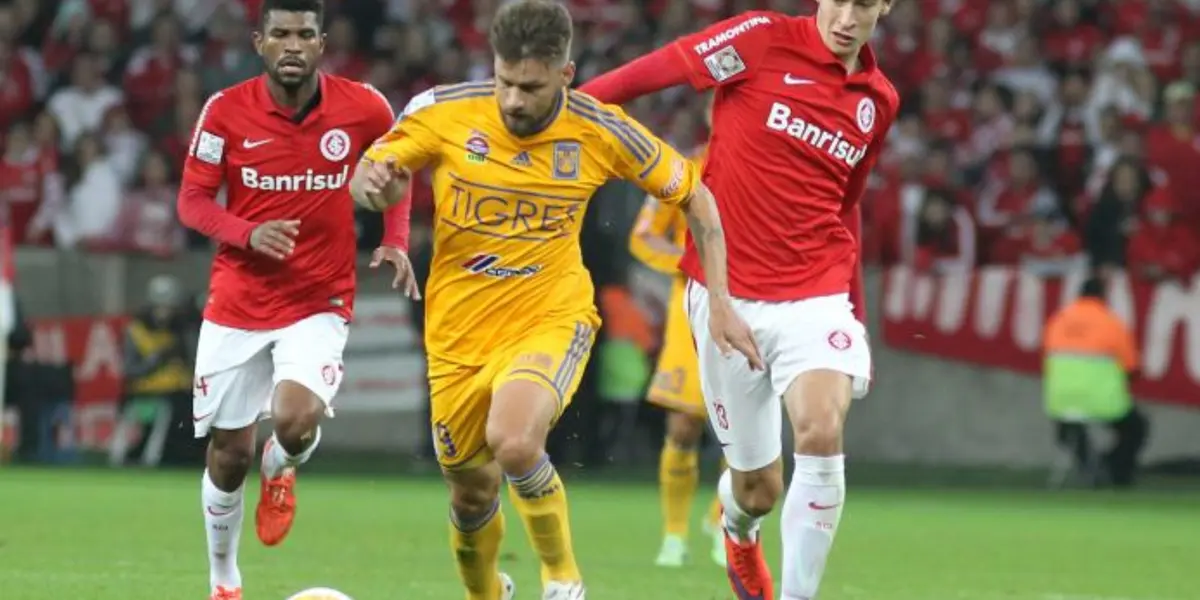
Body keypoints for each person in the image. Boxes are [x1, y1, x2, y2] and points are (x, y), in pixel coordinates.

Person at [350, 2, 758, 598]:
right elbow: (371, 174)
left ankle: (563, 577)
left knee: (515, 441)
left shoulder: (600, 129)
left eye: (531, 87)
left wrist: (720, 298)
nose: (514, 100)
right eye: (505, 82)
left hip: (551, 317)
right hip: (457, 335)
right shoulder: (442, 110)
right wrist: (373, 188)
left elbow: (696, 197)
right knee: (470, 493)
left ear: (565, 76)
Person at [580, 1, 900, 598]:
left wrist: (855, 310)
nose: (847, 17)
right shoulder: (761, 39)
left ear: (886, 6)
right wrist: (565, 111)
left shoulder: (877, 100)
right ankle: (738, 529)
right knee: (758, 489)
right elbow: (656, 71)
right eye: (838, 0)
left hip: (816, 293)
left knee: (821, 432)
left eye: (864, 3)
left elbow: (845, 205)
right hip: (727, 293)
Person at [175, 1, 399, 599]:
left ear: (322, 42)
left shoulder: (365, 108)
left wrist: (396, 238)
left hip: (319, 296)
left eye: (305, 34)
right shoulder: (224, 111)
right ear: (259, 42)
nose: (293, 44)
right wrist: (247, 233)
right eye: (281, 34)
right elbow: (192, 201)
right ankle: (224, 580)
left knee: (297, 422)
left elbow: (397, 171)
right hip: (239, 297)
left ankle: (283, 462)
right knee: (229, 454)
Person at [627, 100, 725, 569]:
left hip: (753, 304)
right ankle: (674, 534)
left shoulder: (772, 171)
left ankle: (724, 521)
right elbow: (643, 236)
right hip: (691, 308)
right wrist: (688, 263)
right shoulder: (683, 170)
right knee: (684, 423)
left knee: (744, 428)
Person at [1043, 276, 1148, 488]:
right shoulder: (1111, 322)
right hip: (1103, 401)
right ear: (1103, 296)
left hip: (1062, 401)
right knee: (1136, 428)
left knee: (1068, 429)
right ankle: (1117, 472)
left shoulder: (1057, 321)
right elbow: (1132, 367)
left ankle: (1090, 465)